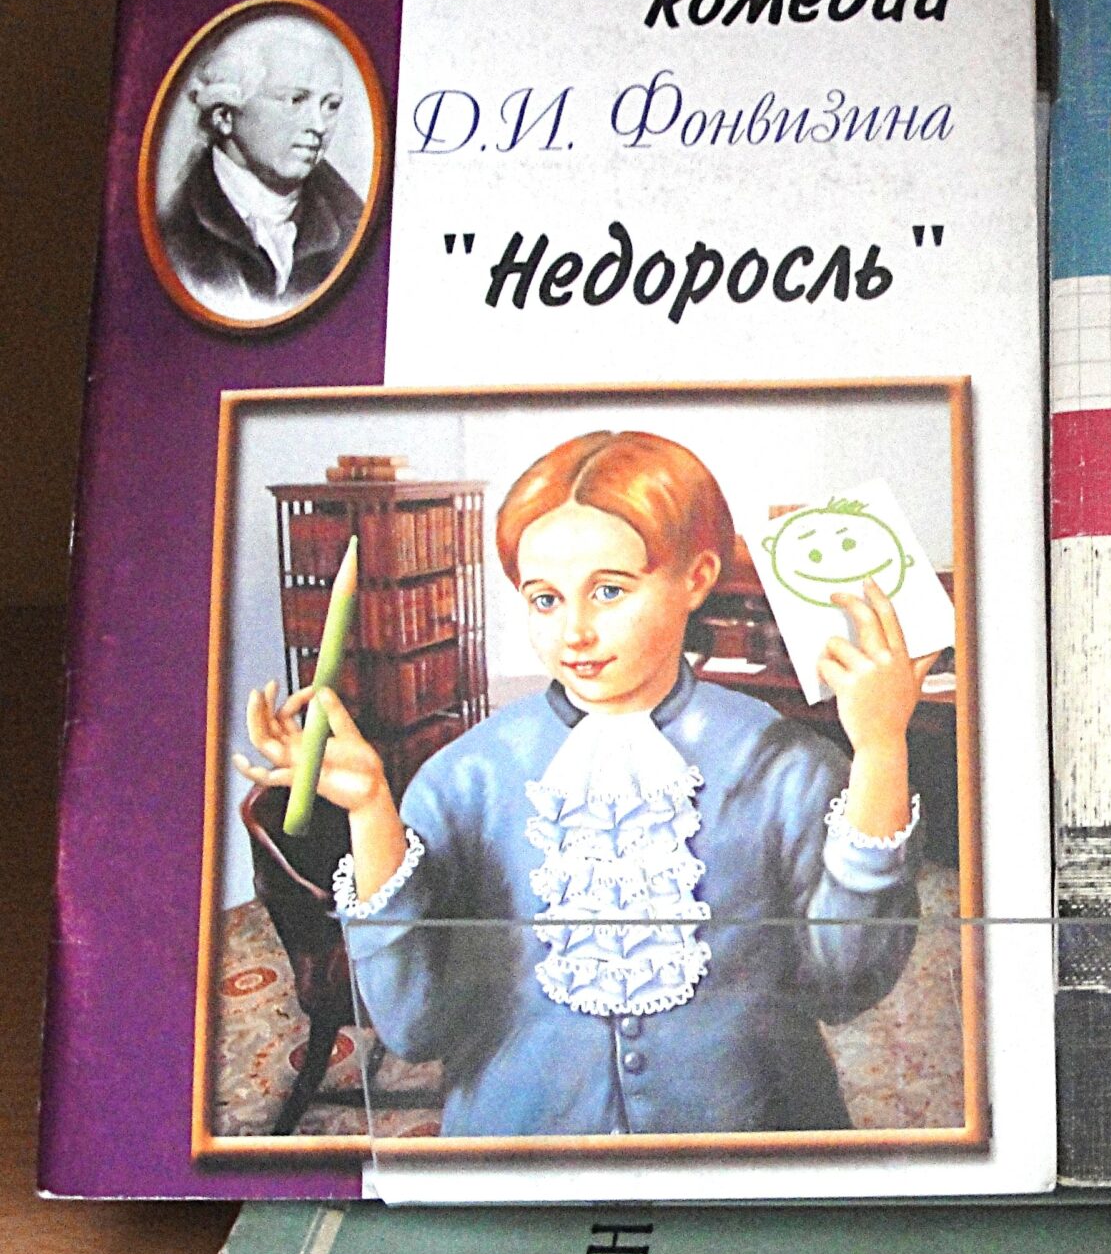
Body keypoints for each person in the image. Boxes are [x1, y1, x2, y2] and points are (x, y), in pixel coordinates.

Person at [236, 431, 933, 1138]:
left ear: (696, 578)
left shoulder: (785, 764)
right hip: (522, 1143)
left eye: (608, 591)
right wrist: (371, 815)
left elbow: (846, 986)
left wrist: (880, 751)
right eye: (545, 599)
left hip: (747, 1133)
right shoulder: (464, 778)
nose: (575, 631)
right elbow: (415, 1026)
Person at [159, 12, 365, 319]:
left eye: (331, 105)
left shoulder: (352, 224)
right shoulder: (175, 231)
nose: (319, 125)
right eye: (295, 100)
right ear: (224, 116)